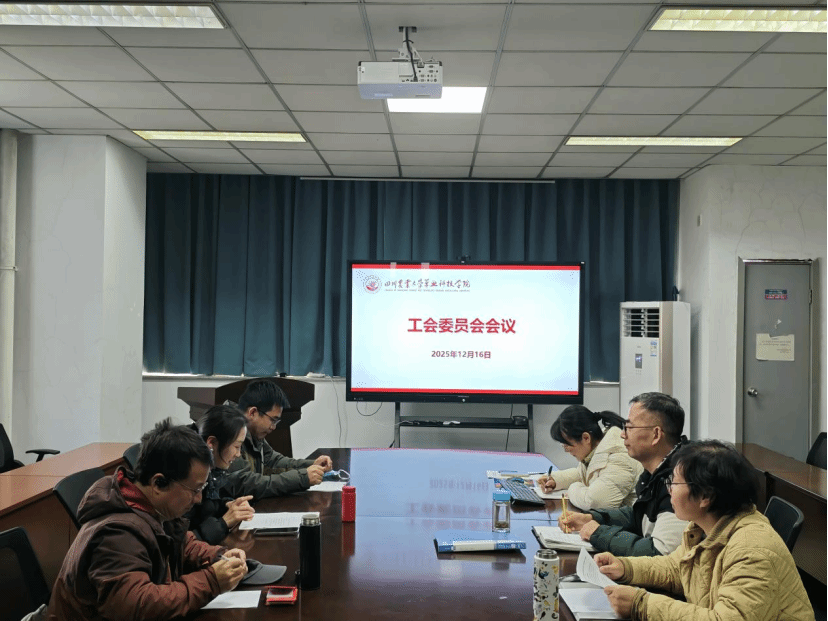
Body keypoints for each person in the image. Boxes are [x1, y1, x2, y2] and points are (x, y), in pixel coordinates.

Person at [47, 420, 248, 621]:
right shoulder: (117, 534)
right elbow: (137, 606)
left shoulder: (154, 508)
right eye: (195, 490)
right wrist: (211, 581)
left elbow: (180, 544)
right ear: (158, 483)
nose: (199, 499)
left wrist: (218, 556)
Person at [597, 440, 815, 621]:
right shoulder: (703, 527)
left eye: (674, 483)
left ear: (705, 496)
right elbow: (677, 568)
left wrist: (642, 605)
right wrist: (625, 567)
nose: (669, 489)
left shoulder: (751, 549)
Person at [559, 392, 689, 556]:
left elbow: (659, 552)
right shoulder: (656, 471)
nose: (622, 434)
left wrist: (599, 534)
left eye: (629, 428)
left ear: (656, 435)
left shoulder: (681, 479)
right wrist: (592, 518)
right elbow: (638, 517)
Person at [222, 378, 333, 499]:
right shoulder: (228, 431)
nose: (273, 427)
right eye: (273, 420)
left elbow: (274, 462)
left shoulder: (251, 431)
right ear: (253, 412)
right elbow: (244, 484)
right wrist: (302, 478)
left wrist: (312, 465)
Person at [537, 406, 643, 510]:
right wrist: (556, 480)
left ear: (586, 438)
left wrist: (572, 489)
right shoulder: (598, 446)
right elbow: (582, 474)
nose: (566, 450)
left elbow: (595, 502)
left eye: (567, 444)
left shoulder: (619, 457)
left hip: (631, 519)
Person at [187, 404, 255, 544]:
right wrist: (223, 523)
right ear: (211, 442)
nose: (238, 454)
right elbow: (180, 543)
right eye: (236, 446)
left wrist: (227, 505)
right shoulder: (185, 473)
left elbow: (206, 506)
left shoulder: (206, 465)